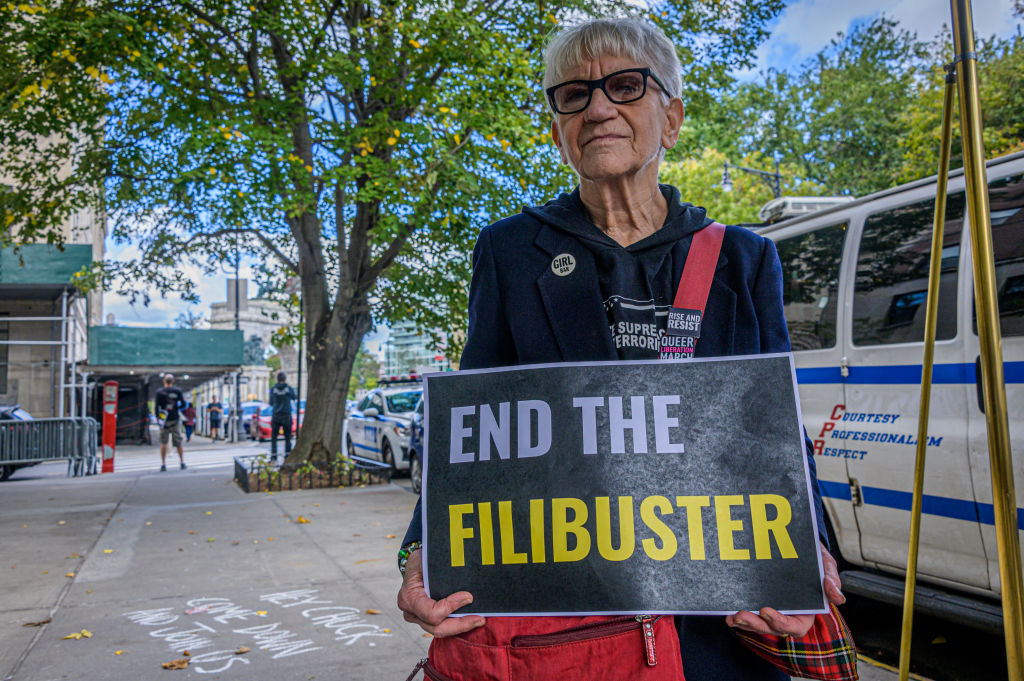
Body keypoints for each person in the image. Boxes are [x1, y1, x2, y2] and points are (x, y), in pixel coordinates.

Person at [396, 17, 846, 681]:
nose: (598, 106)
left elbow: (775, 427)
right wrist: (421, 546)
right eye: (573, 95)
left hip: (716, 624)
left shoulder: (746, 260)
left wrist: (813, 551)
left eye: (624, 85)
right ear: (557, 131)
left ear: (671, 117)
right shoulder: (512, 253)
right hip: (576, 628)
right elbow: (473, 423)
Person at [154, 373, 186, 471]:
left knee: (164, 442)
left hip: (164, 420)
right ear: (173, 381)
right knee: (178, 442)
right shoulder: (177, 391)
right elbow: (183, 404)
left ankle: (163, 464)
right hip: (175, 418)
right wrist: (176, 408)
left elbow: (156, 407)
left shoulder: (159, 392)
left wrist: (158, 417)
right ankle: (182, 462)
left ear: (164, 381)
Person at [268, 371, 297, 463]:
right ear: (285, 379)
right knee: (288, 437)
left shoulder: (273, 389)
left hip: (276, 415)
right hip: (286, 414)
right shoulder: (288, 389)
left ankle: (274, 456)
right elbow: (294, 397)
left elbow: (271, 402)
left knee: (274, 438)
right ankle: (287, 455)